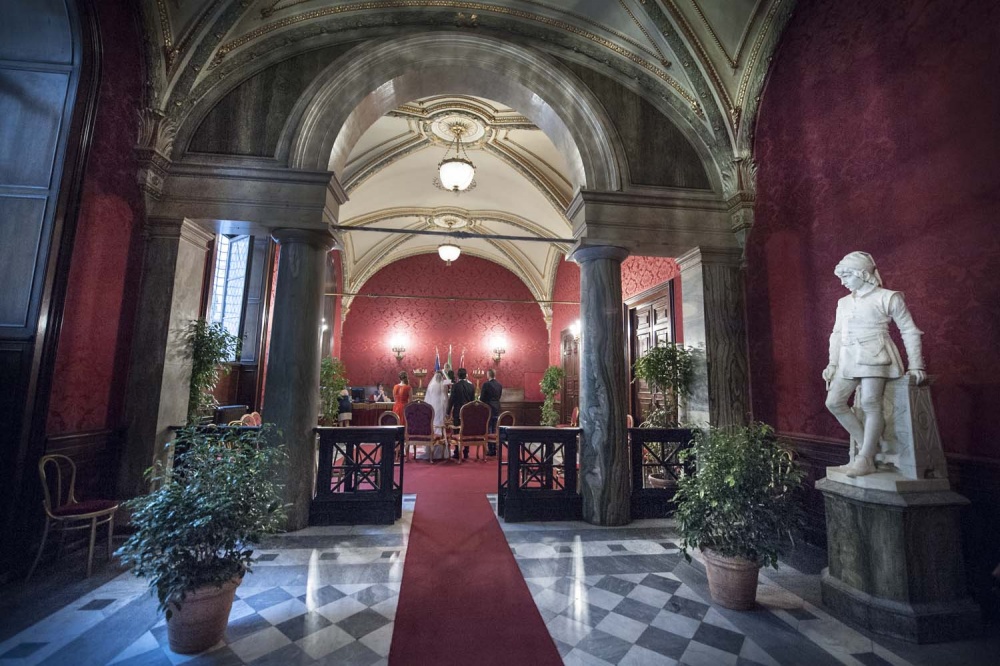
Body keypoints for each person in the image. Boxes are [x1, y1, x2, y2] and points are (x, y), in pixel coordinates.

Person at [822, 251, 925, 478]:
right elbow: (837, 334)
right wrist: (832, 363)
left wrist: (916, 365)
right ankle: (868, 448)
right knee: (834, 402)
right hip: (848, 358)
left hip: (876, 354)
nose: (843, 281)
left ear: (862, 274)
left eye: (847, 276)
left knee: (870, 403)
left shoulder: (888, 297)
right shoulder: (844, 302)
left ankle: (865, 458)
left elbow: (909, 330)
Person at [446, 368, 476, 459]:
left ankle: (456, 451)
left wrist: (448, 412)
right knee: (466, 431)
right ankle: (466, 451)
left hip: (457, 411)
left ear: (458, 376)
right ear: (466, 375)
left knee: (456, 431)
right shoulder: (471, 386)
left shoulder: (455, 386)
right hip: (468, 412)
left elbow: (451, 400)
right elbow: (473, 401)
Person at [424, 370, 452, 459]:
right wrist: (446, 410)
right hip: (441, 409)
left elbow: (427, 399)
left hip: (432, 408)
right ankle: (441, 450)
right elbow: (446, 399)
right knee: (440, 427)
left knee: (433, 426)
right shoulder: (444, 386)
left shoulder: (431, 386)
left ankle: (430, 450)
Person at [479, 369, 503, 456]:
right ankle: (494, 448)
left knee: (488, 428)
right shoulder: (499, 385)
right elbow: (499, 396)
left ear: (488, 375)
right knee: (495, 428)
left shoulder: (486, 384)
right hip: (497, 407)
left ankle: (491, 449)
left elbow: (482, 398)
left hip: (488, 408)